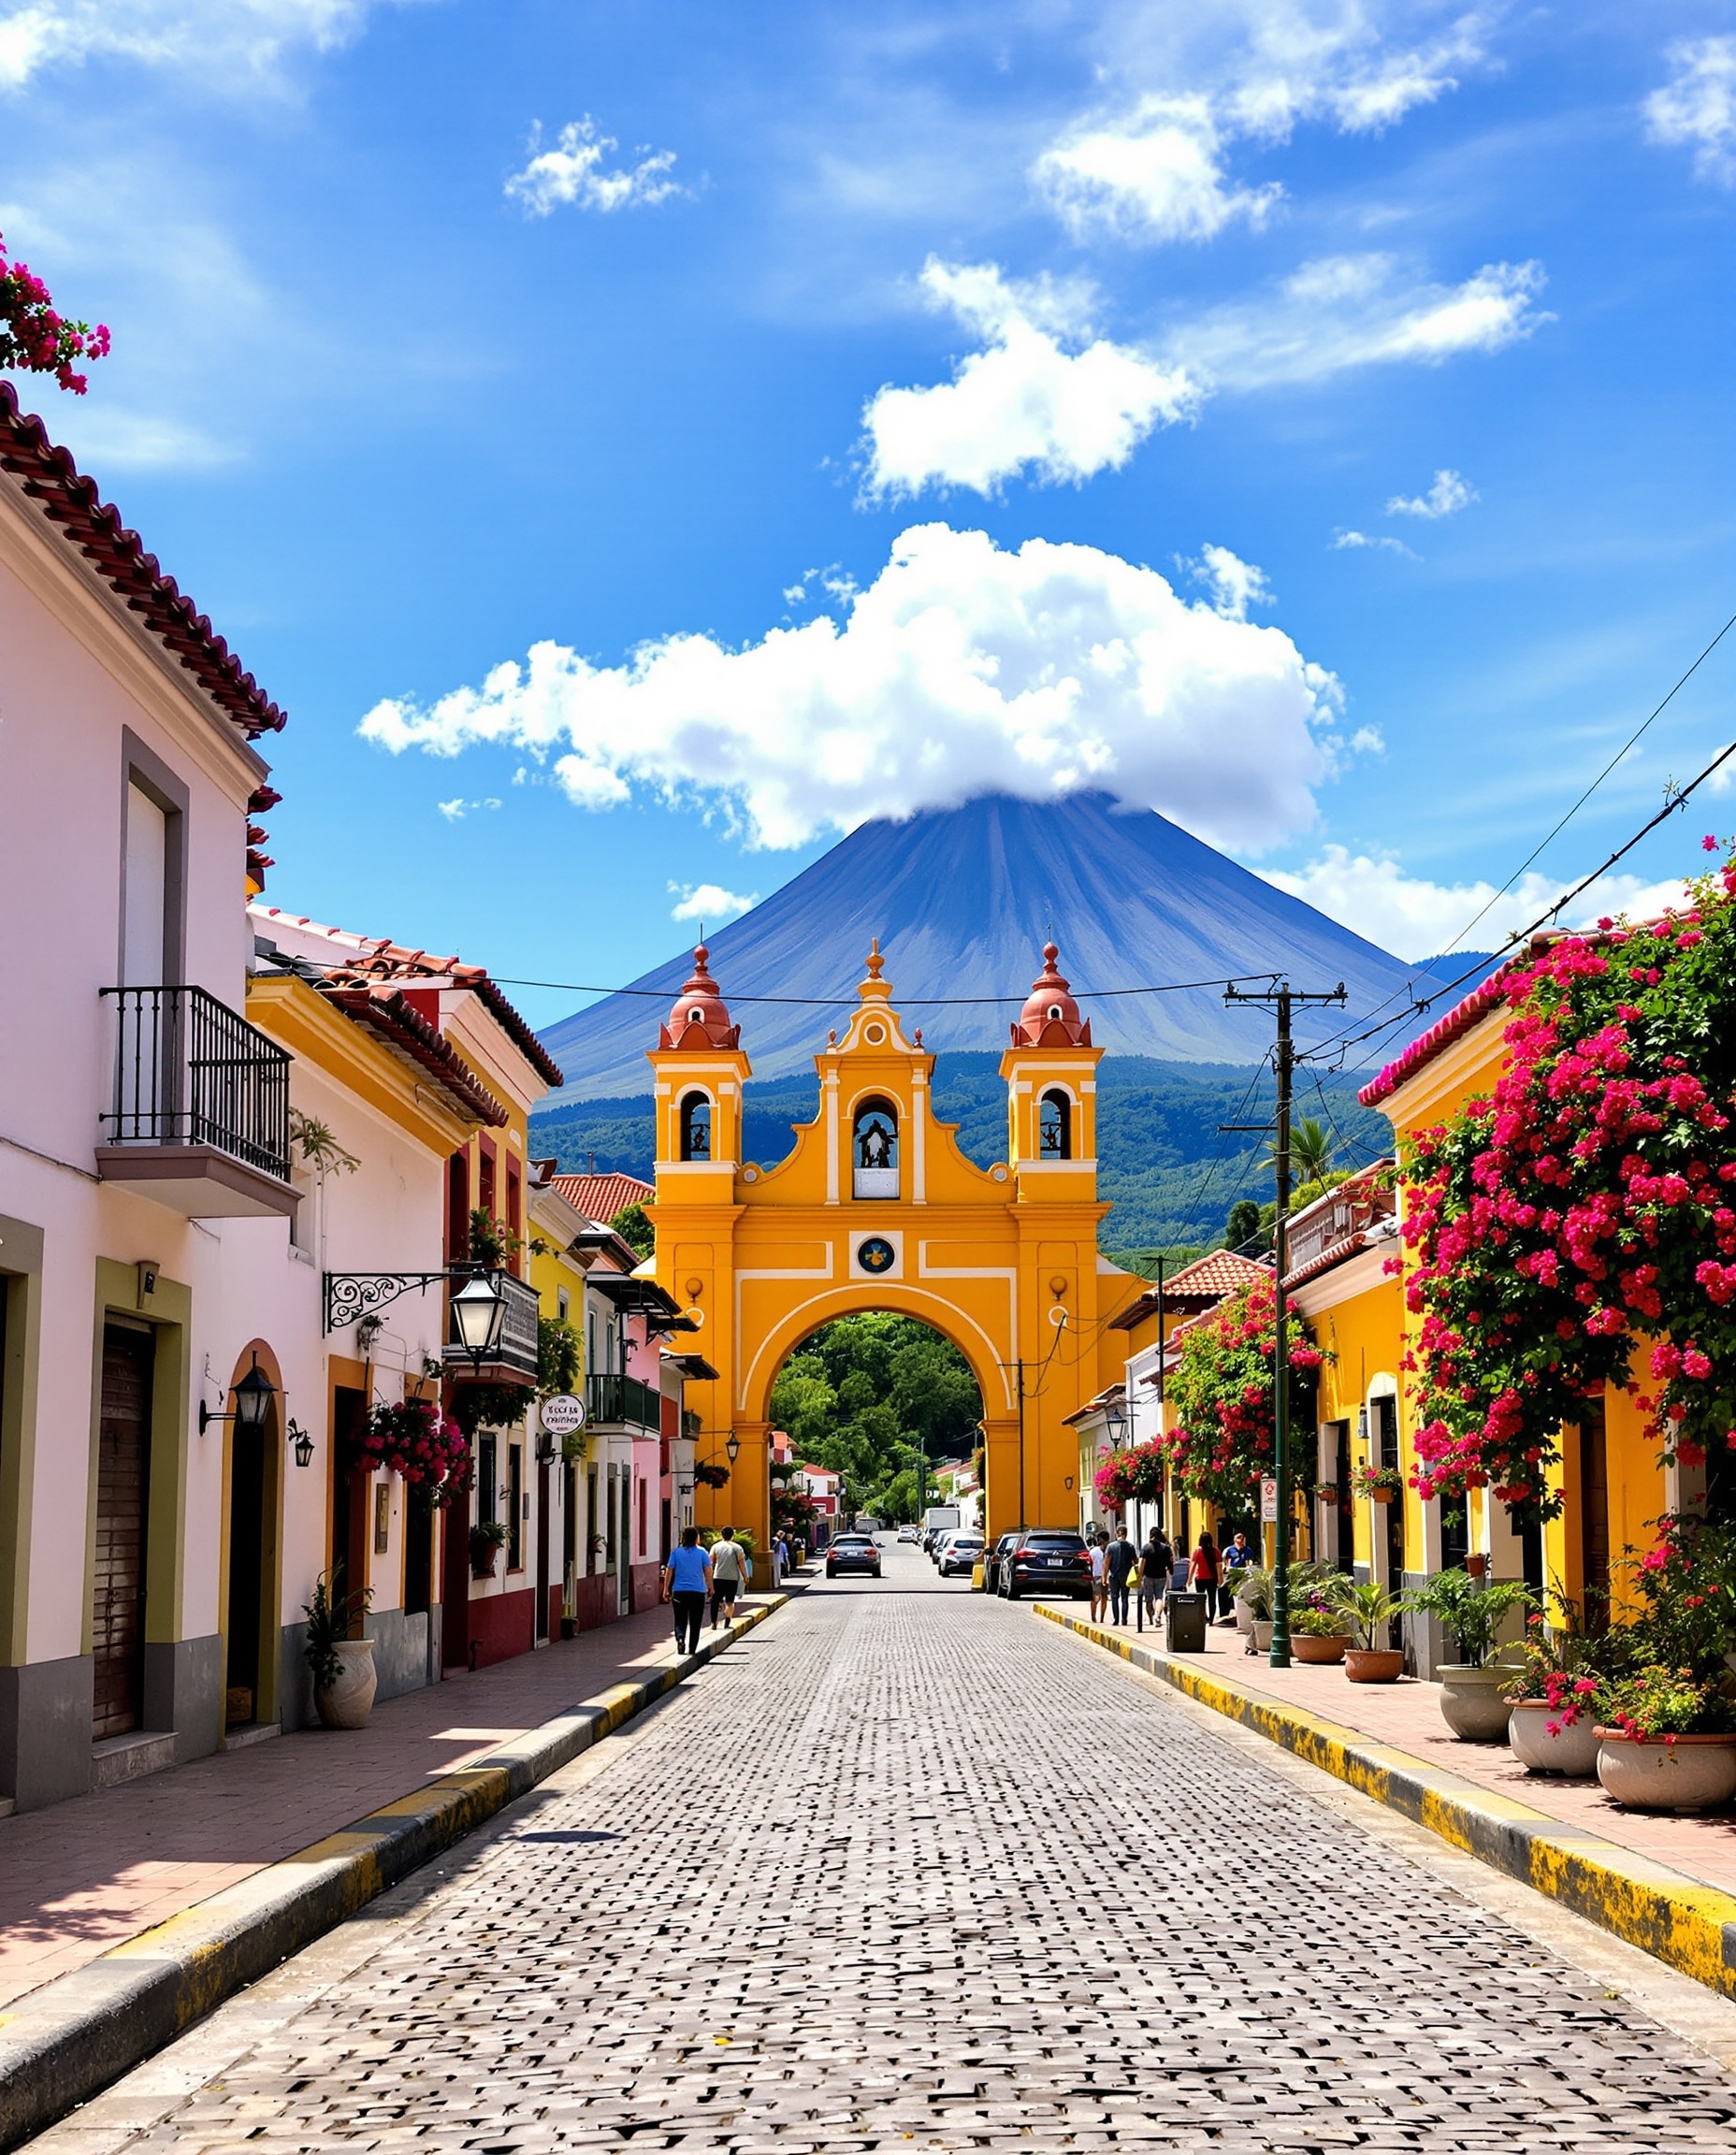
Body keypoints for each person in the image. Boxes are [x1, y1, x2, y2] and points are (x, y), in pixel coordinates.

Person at [661, 1526, 712, 1655]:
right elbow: (708, 1571)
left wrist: (666, 1589)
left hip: (679, 1591)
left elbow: (669, 1571)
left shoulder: (676, 1553)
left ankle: (680, 1638)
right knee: (696, 1621)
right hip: (698, 1592)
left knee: (680, 1619)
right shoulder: (702, 1553)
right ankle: (692, 1648)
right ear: (696, 1537)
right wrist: (711, 1587)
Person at [708, 1526, 750, 1628]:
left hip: (718, 1577)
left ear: (721, 1535)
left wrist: (709, 1578)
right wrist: (745, 1577)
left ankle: (713, 1623)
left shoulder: (715, 1547)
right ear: (733, 1535)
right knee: (730, 1601)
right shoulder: (737, 1548)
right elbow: (741, 1563)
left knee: (715, 1600)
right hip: (732, 1578)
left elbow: (710, 1563)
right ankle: (727, 1620)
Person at [1139, 1526, 1175, 1627]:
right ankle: (1158, 1616)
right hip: (1161, 1576)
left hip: (1148, 1576)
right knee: (1159, 1597)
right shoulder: (1166, 1548)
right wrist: (1171, 1570)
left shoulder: (1146, 1548)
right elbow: (1171, 1561)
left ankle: (1151, 1618)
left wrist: (1140, 1576)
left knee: (1149, 1599)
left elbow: (1142, 1563)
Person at [1105, 1524, 1138, 1625]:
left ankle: (1116, 1619)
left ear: (1117, 1533)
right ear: (1126, 1534)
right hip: (1126, 1575)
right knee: (1125, 1598)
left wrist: (1104, 1577)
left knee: (1114, 1597)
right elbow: (1135, 1561)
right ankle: (1124, 1619)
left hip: (1114, 1575)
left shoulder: (1111, 1547)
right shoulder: (1130, 1547)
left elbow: (1106, 1562)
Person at [1222, 1529, 1255, 1622]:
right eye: (1239, 1538)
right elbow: (1225, 1562)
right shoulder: (1229, 1550)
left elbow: (1249, 1561)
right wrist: (1226, 1567)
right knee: (1227, 1589)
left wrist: (1249, 1567)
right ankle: (1228, 1610)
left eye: (1242, 1538)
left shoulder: (1247, 1550)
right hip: (1232, 1572)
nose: (1241, 1540)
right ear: (1234, 1539)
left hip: (1243, 1572)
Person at [1188, 1531, 1220, 1617]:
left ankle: (1203, 1615)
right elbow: (1219, 1568)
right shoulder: (1215, 1551)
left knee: (1201, 1599)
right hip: (1212, 1578)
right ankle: (1211, 1618)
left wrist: (1189, 1579)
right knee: (1212, 1599)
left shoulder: (1197, 1551)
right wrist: (1220, 1580)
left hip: (1200, 1579)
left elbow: (1193, 1566)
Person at [1087, 1530, 1109, 1623]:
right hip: (1097, 1576)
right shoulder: (1094, 1551)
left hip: (1105, 1576)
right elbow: (1089, 1564)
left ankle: (1101, 1618)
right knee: (1096, 1598)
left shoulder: (1110, 1550)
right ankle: (1094, 1617)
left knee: (1104, 1598)